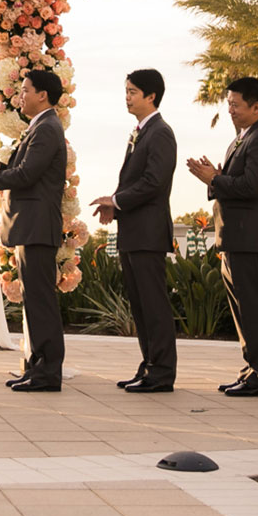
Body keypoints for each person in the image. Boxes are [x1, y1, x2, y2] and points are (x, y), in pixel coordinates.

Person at [0, 67, 68, 392]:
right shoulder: (37, 128)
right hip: (30, 227)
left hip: (37, 227)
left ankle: (48, 373)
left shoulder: (47, 128)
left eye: (25, 90)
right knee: (34, 302)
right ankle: (37, 368)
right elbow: (23, 171)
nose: (20, 96)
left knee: (41, 303)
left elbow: (27, 176)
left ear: (42, 95)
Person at [187, 76, 258, 397]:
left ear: (257, 107)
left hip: (253, 239)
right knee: (243, 310)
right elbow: (234, 182)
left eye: (235, 105)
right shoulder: (242, 138)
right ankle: (251, 369)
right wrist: (214, 178)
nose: (230, 110)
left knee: (255, 308)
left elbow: (252, 186)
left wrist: (215, 178)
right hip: (235, 238)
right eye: (228, 104)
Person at [90, 69, 177, 393]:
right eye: (126, 91)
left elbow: (154, 182)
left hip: (148, 233)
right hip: (132, 232)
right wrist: (115, 206)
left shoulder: (160, 133)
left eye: (132, 92)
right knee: (140, 306)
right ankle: (150, 364)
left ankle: (163, 371)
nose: (127, 97)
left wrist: (116, 199)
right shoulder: (139, 132)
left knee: (154, 305)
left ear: (151, 96)